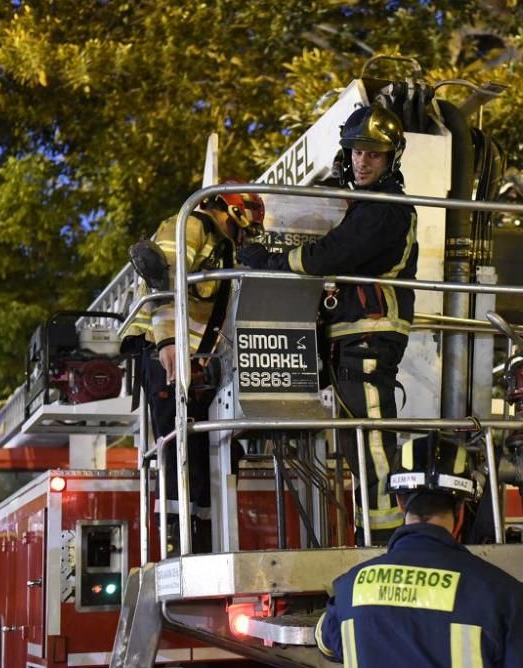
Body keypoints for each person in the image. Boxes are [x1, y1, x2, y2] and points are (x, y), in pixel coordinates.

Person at [238, 105, 418, 543]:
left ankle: (387, 539)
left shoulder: (386, 208)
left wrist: (273, 260)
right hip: (355, 333)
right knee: (362, 439)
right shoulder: (364, 204)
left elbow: (329, 255)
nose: (362, 161)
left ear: (391, 158)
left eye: (373, 154)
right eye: (356, 151)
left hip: (370, 331)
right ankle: (372, 530)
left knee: (372, 437)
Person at [315, 433, 523, 667]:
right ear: (461, 507)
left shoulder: (349, 589)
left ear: (399, 501)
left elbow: (326, 642)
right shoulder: (504, 596)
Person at [122, 182, 265, 554]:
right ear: (236, 213)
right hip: (163, 353)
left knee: (196, 450)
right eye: (246, 228)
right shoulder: (190, 226)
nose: (245, 237)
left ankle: (200, 537)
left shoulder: (221, 247)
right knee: (177, 449)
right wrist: (169, 342)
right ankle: (176, 540)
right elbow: (161, 281)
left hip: (191, 360)